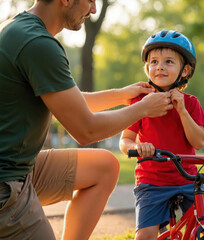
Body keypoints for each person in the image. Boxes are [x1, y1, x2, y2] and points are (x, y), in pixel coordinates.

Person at [0, 0, 174, 239]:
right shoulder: (38, 44)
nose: (93, 10)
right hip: (7, 182)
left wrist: (121, 96)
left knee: (104, 167)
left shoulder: (17, 28)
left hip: (22, 167)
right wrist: (142, 110)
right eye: (90, 0)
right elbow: (85, 131)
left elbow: (66, 100)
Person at [119, 30, 204, 240]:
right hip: (151, 182)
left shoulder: (191, 103)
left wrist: (182, 111)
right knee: (145, 237)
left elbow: (199, 141)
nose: (159, 66)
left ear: (184, 71)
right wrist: (138, 147)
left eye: (168, 62)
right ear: (147, 68)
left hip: (188, 179)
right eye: (154, 62)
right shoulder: (141, 102)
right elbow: (125, 141)